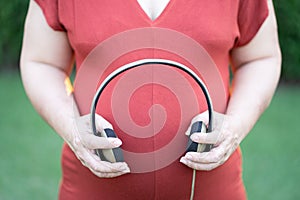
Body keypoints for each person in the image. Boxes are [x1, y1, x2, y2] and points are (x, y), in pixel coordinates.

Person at [20, 0, 281, 199]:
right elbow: (42, 62)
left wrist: (236, 124)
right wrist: (70, 125)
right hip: (89, 190)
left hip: (213, 189)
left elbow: (260, 58)